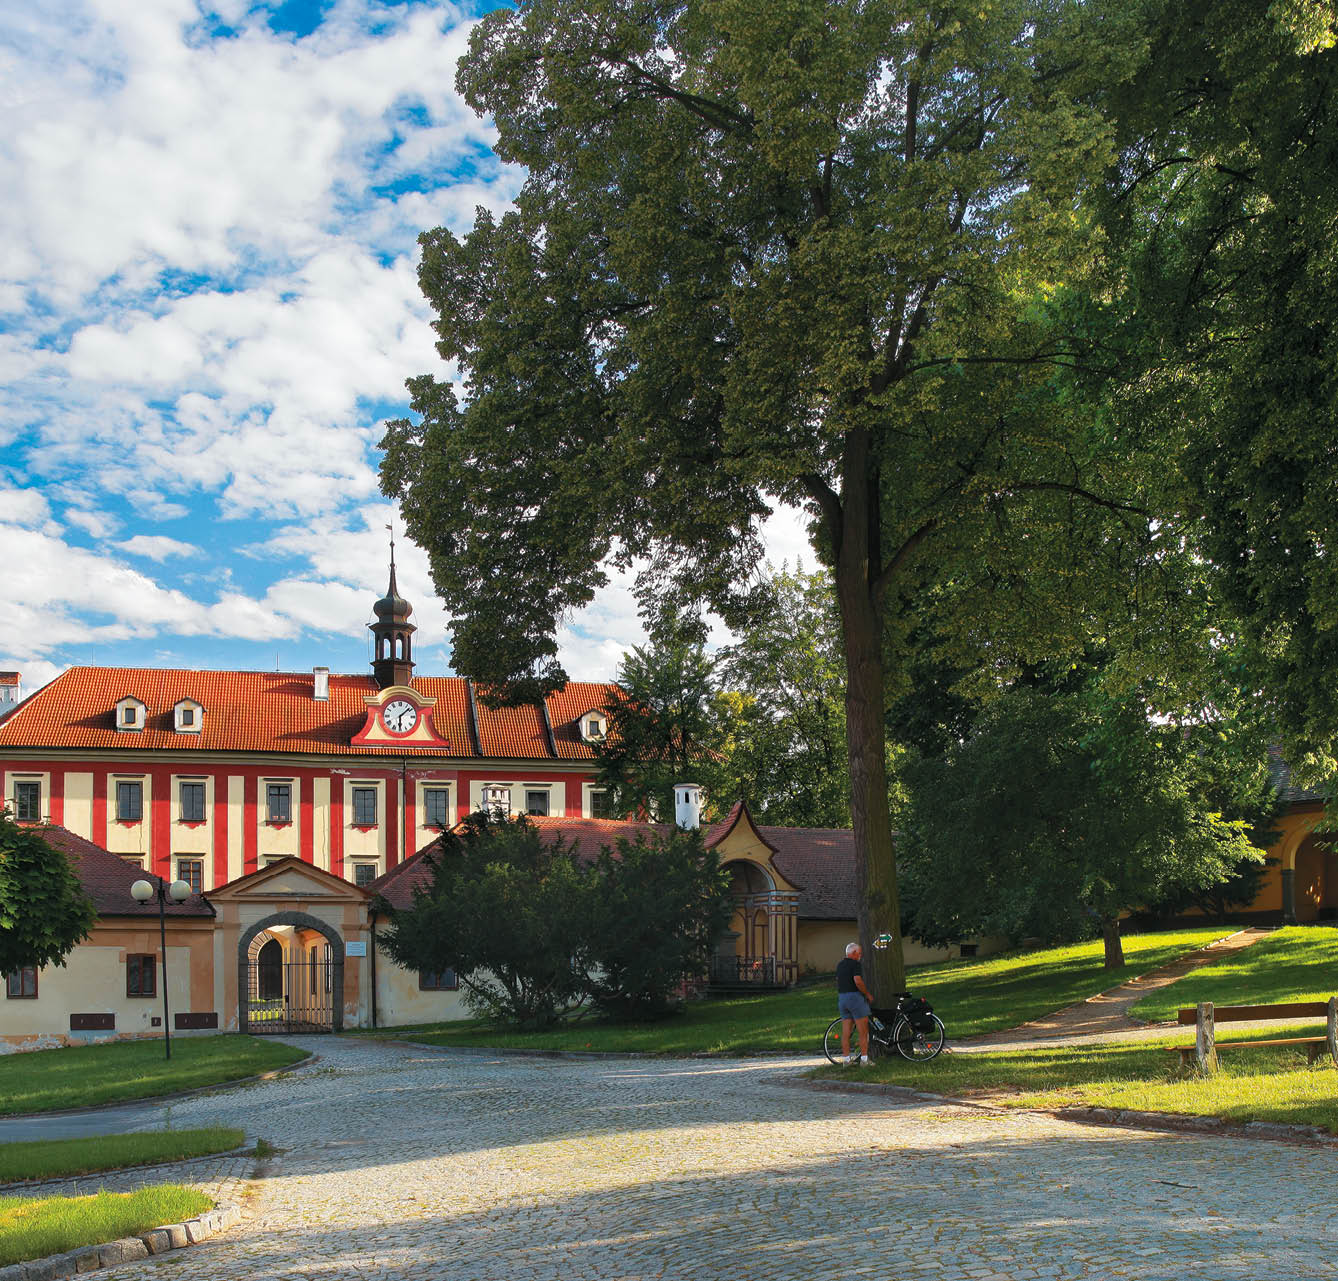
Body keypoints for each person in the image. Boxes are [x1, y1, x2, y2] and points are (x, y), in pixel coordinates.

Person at [835, 941, 873, 1065]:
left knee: (846, 1032)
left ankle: (846, 1060)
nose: (860, 955)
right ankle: (864, 1060)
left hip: (842, 998)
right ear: (854, 953)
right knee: (863, 1031)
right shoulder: (855, 964)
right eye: (859, 953)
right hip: (854, 998)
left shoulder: (840, 965)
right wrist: (867, 994)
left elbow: (838, 980)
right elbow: (857, 980)